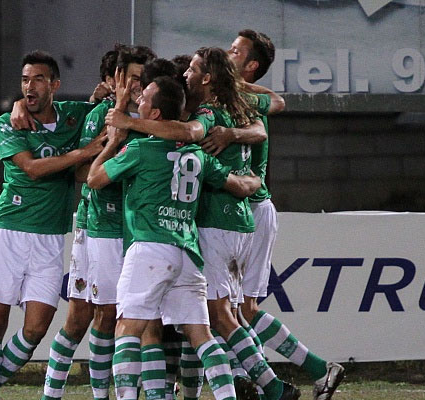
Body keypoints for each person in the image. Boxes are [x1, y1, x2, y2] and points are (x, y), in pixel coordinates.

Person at [106, 48, 299, 400]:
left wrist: (126, 123)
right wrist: (254, 176)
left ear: (206, 79)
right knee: (210, 324)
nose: (186, 75)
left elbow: (190, 131)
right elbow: (271, 111)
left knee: (205, 318)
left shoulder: (198, 120)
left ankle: (268, 384)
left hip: (192, 230)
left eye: (193, 70)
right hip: (218, 230)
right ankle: (250, 386)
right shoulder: (234, 110)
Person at [88, 76, 263, 400]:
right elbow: (237, 186)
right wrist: (255, 181)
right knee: (203, 337)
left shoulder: (140, 149)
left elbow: (94, 179)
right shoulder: (197, 154)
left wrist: (112, 143)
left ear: (155, 114)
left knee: (127, 329)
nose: (139, 102)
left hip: (150, 248)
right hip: (187, 251)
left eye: (145, 99)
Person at [0, 50, 105, 400]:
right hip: (10, 229)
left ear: (55, 85)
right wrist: (83, 152)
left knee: (35, 329)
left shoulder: (75, 117)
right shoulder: (8, 123)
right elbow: (32, 168)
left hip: (49, 237)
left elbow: (101, 111)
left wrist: (107, 94)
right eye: (24, 80)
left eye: (38, 79)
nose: (29, 87)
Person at [225, 29, 345, 400]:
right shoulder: (232, 97)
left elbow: (277, 102)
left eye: (235, 51)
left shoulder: (246, 98)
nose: (228, 54)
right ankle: (257, 380)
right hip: (237, 212)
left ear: (251, 65)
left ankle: (314, 369)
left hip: (253, 209)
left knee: (240, 307)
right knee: (230, 307)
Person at [41, 44, 155, 400]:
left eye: (143, 79)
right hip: (104, 226)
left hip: (131, 228)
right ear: (114, 80)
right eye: (133, 78)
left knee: (130, 319)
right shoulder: (102, 117)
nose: (139, 85)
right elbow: (81, 174)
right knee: (99, 315)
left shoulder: (149, 116)